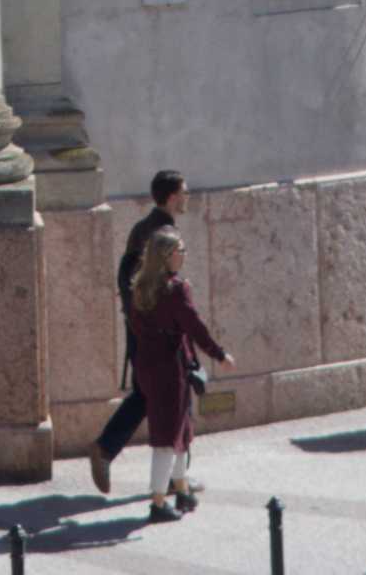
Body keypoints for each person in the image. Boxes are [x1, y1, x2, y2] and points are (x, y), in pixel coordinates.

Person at [88, 174, 226, 508]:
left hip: (145, 331)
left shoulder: (143, 227)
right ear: (170, 197)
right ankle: (170, 480)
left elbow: (131, 283)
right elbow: (155, 288)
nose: (188, 195)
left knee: (150, 396)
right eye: (183, 192)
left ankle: (168, 473)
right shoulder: (162, 233)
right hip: (160, 339)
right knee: (173, 400)